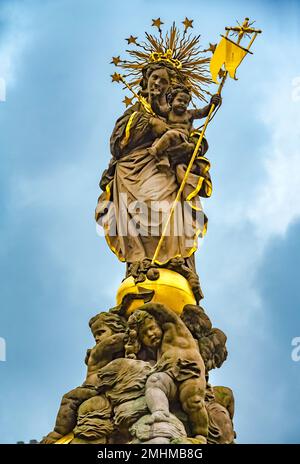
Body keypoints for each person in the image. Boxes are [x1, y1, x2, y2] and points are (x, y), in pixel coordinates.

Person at [125, 303, 208, 443]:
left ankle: (201, 436)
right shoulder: (156, 353)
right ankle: (160, 412)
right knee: (155, 380)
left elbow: (161, 309)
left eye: (152, 328)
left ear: (159, 324)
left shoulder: (174, 331)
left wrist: (138, 309)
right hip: (171, 377)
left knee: (193, 402)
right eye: (144, 334)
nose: (150, 334)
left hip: (190, 372)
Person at [41, 312, 126, 443]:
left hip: (97, 388)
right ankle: (58, 431)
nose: (97, 338)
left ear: (115, 328)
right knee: (68, 399)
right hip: (92, 389)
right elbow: (116, 340)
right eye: (95, 335)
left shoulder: (108, 350)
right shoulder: (100, 349)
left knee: (68, 399)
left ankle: (58, 432)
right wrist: (130, 333)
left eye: (101, 332)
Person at [147, 86, 221, 172]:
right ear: (171, 101)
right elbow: (157, 109)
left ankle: (155, 150)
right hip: (168, 139)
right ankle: (164, 161)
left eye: (185, 102)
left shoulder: (189, 114)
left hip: (181, 138)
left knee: (170, 135)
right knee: (158, 140)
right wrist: (154, 98)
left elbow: (202, 112)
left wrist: (212, 104)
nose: (182, 103)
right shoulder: (168, 112)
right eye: (179, 100)